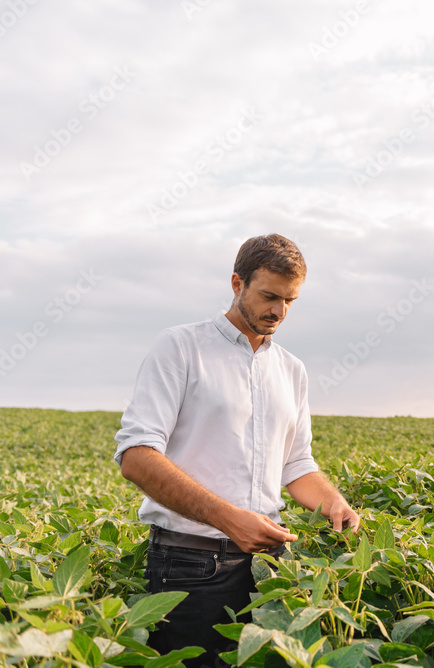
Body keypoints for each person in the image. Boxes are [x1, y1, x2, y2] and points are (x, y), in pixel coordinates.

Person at [113, 233, 359, 668]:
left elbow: (297, 464)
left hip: (271, 569)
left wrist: (333, 502)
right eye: (269, 296)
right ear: (236, 283)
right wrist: (229, 520)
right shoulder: (180, 347)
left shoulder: (292, 370)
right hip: (189, 563)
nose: (278, 312)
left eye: (290, 301)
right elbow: (136, 455)